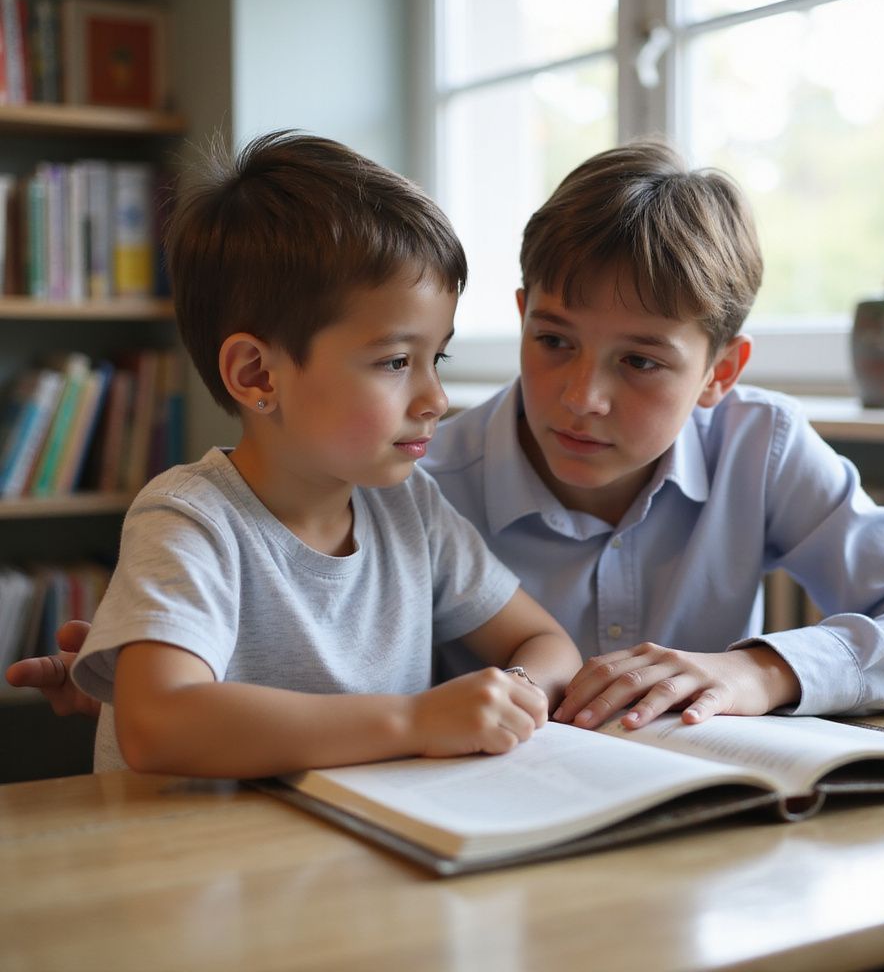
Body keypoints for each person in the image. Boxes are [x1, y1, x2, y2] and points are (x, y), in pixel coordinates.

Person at [9, 137, 884, 731]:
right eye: (553, 340)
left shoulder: (763, 445)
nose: (581, 397)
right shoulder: (403, 473)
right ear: (523, 310)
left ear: (720, 373)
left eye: (642, 361)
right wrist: (145, 675)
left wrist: (761, 668)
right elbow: (244, 654)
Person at [13, 130, 581, 778]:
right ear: (257, 375)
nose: (434, 396)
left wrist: (513, 694)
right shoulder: (189, 519)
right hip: (194, 864)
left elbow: (547, 645)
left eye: (437, 357)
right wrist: (416, 720)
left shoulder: (410, 508)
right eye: (396, 361)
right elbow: (157, 725)